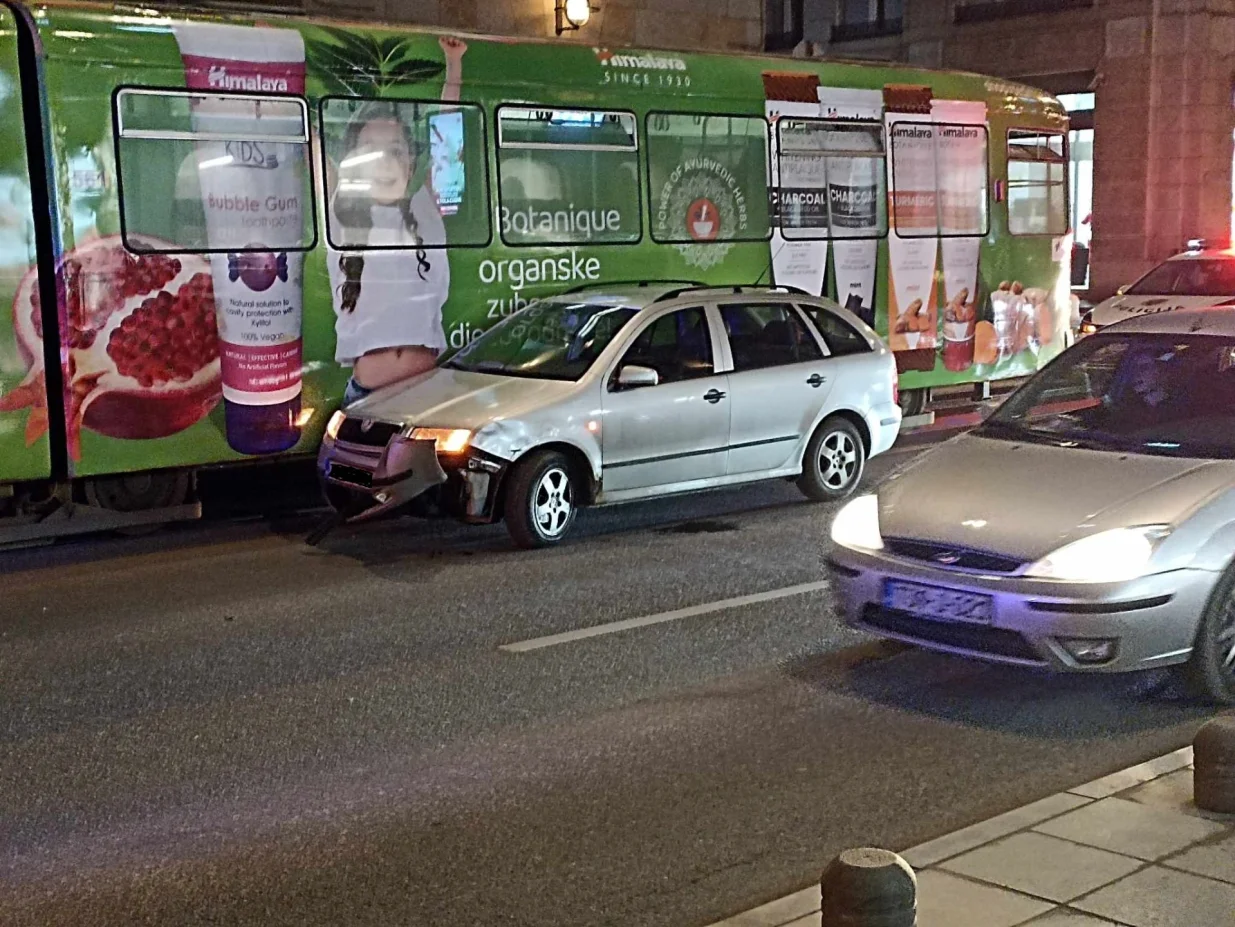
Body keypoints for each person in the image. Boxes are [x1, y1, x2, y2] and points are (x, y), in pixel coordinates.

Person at [326, 36, 467, 406]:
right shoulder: (341, 212)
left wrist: (454, 67)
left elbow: (448, 140)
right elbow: (306, 134)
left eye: (395, 151)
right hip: (365, 399)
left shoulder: (425, 209)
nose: (385, 163)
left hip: (426, 398)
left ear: (410, 162)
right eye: (370, 153)